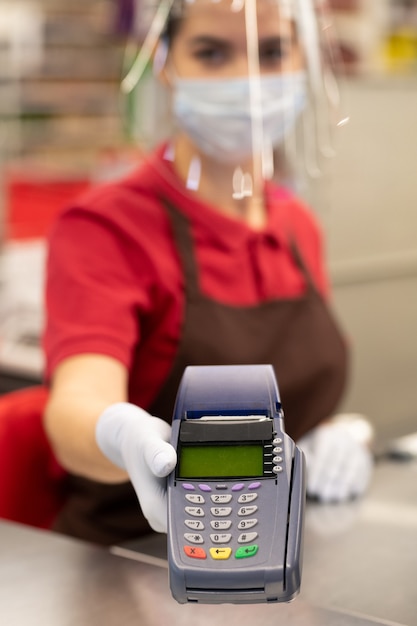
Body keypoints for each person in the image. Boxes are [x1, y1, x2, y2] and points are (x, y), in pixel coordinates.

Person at [43, 0, 373, 545]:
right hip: (133, 553)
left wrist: (332, 435)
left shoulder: (296, 225)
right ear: (167, 65)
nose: (247, 80)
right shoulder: (106, 226)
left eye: (271, 52)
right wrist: (119, 436)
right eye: (212, 52)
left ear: (303, 61)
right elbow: (75, 407)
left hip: (272, 546)